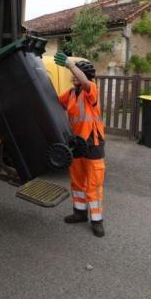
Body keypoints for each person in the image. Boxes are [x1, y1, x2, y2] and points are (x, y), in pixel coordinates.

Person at [54, 52, 106, 237]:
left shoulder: (91, 90)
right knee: (77, 182)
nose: (73, 76)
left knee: (93, 183)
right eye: (73, 74)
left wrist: (70, 64)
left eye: (77, 73)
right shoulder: (69, 94)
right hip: (76, 144)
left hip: (93, 143)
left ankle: (97, 220)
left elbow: (85, 83)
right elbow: (53, 102)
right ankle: (80, 213)